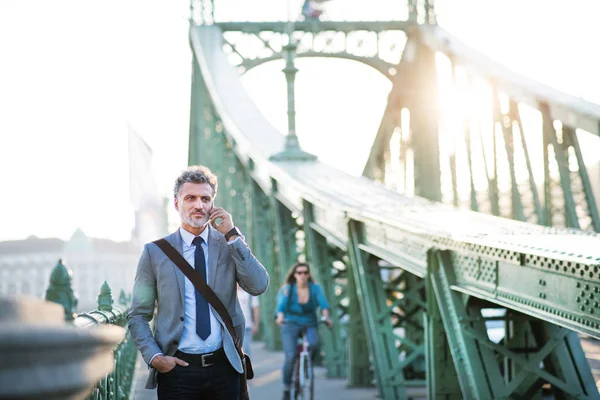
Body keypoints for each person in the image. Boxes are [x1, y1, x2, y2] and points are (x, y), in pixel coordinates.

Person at [127, 165, 269, 400]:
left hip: (225, 367)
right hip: (177, 370)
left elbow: (259, 285)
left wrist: (232, 234)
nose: (198, 205)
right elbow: (138, 315)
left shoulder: (229, 244)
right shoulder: (154, 253)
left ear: (213, 204)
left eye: (205, 198)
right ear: (176, 204)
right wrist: (155, 358)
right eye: (190, 198)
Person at [275, 262, 332, 400]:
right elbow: (281, 306)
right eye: (299, 273)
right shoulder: (288, 289)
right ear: (294, 275)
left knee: (314, 344)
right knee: (290, 356)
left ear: (308, 274)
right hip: (290, 324)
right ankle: (286, 388)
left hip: (310, 323)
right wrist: (280, 317)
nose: (303, 275)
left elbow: (323, 304)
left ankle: (307, 364)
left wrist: (326, 317)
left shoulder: (315, 288)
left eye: (305, 272)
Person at [237, 283, 261, 357]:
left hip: (247, 325)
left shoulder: (250, 293)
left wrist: (256, 324)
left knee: (245, 349)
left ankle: (246, 367)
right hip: (233, 325)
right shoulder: (230, 291)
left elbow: (256, 309)